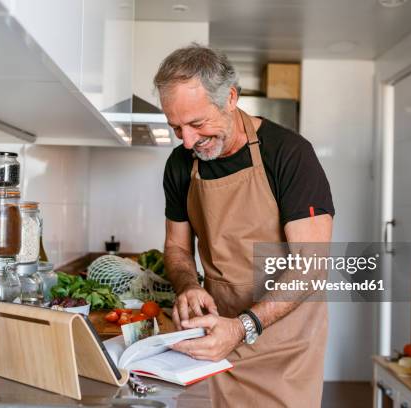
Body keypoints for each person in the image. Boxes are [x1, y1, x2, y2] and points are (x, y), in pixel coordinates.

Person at [155, 43, 334, 407]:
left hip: (285, 341)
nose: (187, 140)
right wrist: (188, 286)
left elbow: (312, 264)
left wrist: (243, 327)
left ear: (231, 98)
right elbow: (176, 247)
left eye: (197, 123)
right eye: (176, 127)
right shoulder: (180, 165)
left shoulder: (289, 154)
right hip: (216, 332)